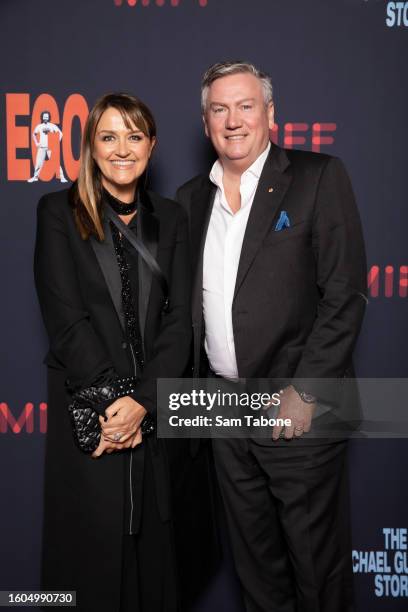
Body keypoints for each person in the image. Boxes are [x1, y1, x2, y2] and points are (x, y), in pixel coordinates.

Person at [176, 61, 367, 611]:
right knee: (255, 570)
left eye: (245, 106)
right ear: (206, 120)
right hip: (224, 411)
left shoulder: (317, 177)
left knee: (316, 567)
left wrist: (307, 391)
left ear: (270, 114)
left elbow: (344, 294)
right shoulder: (192, 198)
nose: (232, 121)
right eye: (219, 109)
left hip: (296, 404)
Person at [34, 92, 218, 612]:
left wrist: (145, 400)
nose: (122, 149)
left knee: (158, 564)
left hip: (154, 416)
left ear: (151, 146)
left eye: (134, 137)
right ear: (91, 146)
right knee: (90, 560)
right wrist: (116, 407)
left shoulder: (172, 217)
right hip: (94, 411)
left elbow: (181, 320)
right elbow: (65, 320)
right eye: (108, 136)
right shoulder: (57, 212)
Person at [28, 110, 68, 183]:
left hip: (50, 147)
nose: (45, 118)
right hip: (42, 147)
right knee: (38, 163)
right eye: (44, 117)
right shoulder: (39, 126)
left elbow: (60, 134)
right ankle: (35, 177)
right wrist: (37, 143)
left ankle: (62, 177)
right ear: (42, 117)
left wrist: (55, 142)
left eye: (46, 117)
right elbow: (34, 134)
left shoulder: (52, 126)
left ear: (48, 117)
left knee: (56, 163)